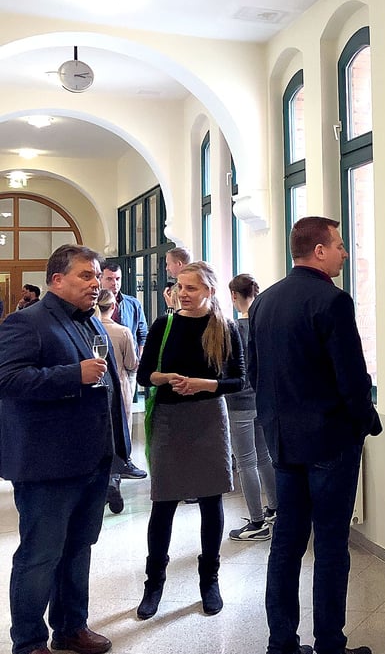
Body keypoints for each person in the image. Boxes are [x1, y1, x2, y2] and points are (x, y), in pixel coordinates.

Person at [249, 216, 381, 654]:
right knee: (330, 545)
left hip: (283, 442)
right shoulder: (332, 301)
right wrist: (364, 421)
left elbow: (255, 374)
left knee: (286, 544)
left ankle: (281, 643)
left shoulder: (264, 301)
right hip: (329, 442)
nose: (345, 252)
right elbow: (352, 378)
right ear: (319, 251)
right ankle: (329, 644)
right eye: (339, 245)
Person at [0, 244, 130, 654]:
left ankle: (71, 627)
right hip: (47, 464)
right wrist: (72, 374)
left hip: (91, 460)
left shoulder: (90, 322)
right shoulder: (26, 322)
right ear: (57, 280)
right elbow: (8, 380)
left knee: (78, 549)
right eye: (85, 276)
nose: (95, 284)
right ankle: (29, 641)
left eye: (97, 276)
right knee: (40, 556)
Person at [135, 261, 244, 620]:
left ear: (209, 291)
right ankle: (154, 583)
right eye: (179, 286)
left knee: (211, 501)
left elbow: (239, 380)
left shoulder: (225, 328)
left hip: (209, 418)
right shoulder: (164, 325)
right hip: (169, 419)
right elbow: (144, 376)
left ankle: (209, 579)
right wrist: (166, 377)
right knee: (164, 502)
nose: (182, 293)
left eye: (191, 288)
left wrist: (203, 385)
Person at [225, 273, 278, 541]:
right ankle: (275, 509)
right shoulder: (265, 325)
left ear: (234, 296)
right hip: (263, 399)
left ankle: (257, 522)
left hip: (239, 403)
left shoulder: (232, 329)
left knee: (246, 462)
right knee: (264, 456)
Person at [99, 261, 149, 492]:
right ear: (101, 278)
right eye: (110, 279)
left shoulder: (131, 304)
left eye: (117, 279)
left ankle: (124, 462)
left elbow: (142, 332)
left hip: (126, 370)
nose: (114, 283)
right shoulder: (93, 306)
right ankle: (108, 467)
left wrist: (137, 360)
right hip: (101, 372)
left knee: (125, 417)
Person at [96, 289, 140, 513]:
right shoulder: (122, 332)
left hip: (95, 388)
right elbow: (132, 363)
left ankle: (102, 482)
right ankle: (115, 478)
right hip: (120, 386)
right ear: (114, 307)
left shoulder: (89, 329)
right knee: (120, 433)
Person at [163, 247, 191, 311]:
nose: (167, 268)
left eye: (168, 264)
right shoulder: (175, 289)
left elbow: (174, 316)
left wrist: (170, 307)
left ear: (179, 264)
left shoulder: (178, 291)